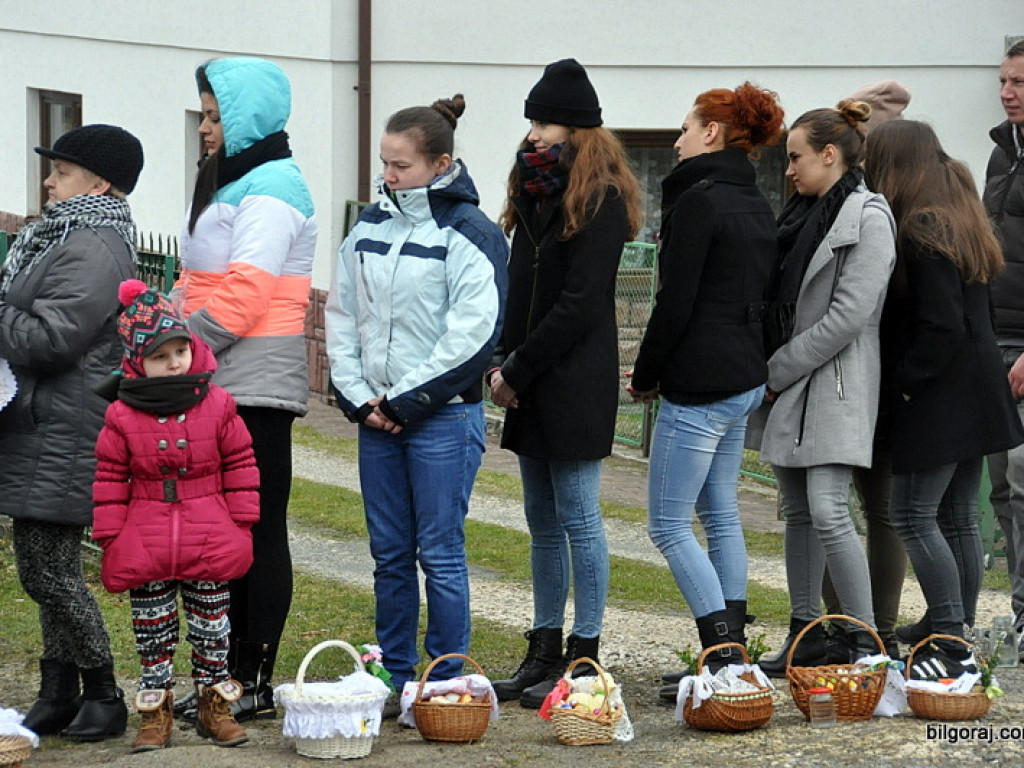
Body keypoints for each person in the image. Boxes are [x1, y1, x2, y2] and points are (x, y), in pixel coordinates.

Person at [325, 94, 507, 711]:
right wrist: (359, 400)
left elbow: (473, 335)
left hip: (443, 419)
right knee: (390, 556)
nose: (388, 176)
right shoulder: (368, 226)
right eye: (384, 163)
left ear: (440, 165)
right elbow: (343, 315)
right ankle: (393, 675)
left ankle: (446, 681)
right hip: (376, 418)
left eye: (400, 165)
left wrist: (405, 402)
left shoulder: (472, 233)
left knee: (442, 554)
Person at [488, 59, 642, 709]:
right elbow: (518, 285)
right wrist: (502, 360)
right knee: (542, 521)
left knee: (578, 516)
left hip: (572, 379)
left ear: (576, 129)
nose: (533, 133)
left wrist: (516, 369)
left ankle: (585, 653)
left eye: (544, 122)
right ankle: (544, 646)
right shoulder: (532, 188)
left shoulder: (601, 197)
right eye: (532, 121)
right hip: (527, 376)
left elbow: (579, 303)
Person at [624, 83, 784, 702]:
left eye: (685, 128)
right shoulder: (755, 199)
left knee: (668, 524)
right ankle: (732, 655)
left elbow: (675, 301)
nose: (676, 141)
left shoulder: (700, 201)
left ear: (711, 132)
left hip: (702, 382)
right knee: (719, 513)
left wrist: (645, 374)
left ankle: (722, 657)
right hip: (743, 375)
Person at [174, 56, 317, 722]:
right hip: (217, 375)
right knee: (222, 529)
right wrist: (161, 324)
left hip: (254, 383)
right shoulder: (231, 179)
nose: (205, 128)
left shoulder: (276, 185)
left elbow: (245, 293)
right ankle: (220, 674)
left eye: (214, 116)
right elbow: (195, 279)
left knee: (257, 529)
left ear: (248, 117)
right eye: (204, 115)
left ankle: (252, 677)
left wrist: (179, 352)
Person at [864, 120, 1024, 677]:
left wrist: (906, 382)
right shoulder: (961, 214)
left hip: (940, 396)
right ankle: (951, 621)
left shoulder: (921, 226)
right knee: (957, 517)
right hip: (977, 390)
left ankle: (950, 634)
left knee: (911, 514)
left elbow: (941, 324)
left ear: (894, 163)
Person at [0, 123, 142, 741]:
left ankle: (104, 692)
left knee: (48, 573)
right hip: (45, 422)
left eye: (61, 171)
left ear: (99, 183)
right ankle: (57, 692)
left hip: (64, 425)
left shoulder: (94, 246)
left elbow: (53, 339)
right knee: (45, 566)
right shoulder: (64, 235)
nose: (48, 182)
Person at [756, 101, 896, 678]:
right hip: (795, 384)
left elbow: (849, 317)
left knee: (829, 509)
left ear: (830, 155)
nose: (789, 169)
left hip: (834, 383)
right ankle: (806, 630)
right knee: (797, 511)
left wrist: (777, 369)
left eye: (796, 158)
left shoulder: (869, 217)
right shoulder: (801, 216)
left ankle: (866, 640)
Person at [93, 280, 260, 751]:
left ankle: (214, 706)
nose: (174, 364)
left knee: (212, 628)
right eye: (161, 356)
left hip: (209, 530)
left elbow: (240, 465)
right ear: (137, 361)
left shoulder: (218, 404)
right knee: (153, 631)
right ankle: (155, 713)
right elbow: (110, 479)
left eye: (180, 352)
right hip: (145, 535)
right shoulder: (122, 415)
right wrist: (111, 535)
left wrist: (241, 524)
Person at [820, 81, 913, 661]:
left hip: (880, 372)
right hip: (866, 370)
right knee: (842, 506)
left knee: (873, 506)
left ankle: (869, 628)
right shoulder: (858, 198)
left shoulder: (883, 206)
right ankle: (846, 625)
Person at [984, 40, 1024, 658]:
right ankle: (1020, 614)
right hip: (992, 343)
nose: (1007, 92)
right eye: (1003, 81)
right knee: (1001, 491)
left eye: (1019, 82)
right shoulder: (1001, 152)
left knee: (1023, 485)